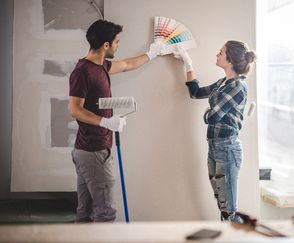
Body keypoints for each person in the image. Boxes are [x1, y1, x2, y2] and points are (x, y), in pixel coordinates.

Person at [69, 19, 161, 222]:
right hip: (94, 151)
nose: (119, 45)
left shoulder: (101, 66)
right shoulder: (83, 71)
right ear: (106, 45)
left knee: (86, 212)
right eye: (117, 42)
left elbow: (128, 65)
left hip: (88, 149)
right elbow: (75, 109)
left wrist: (153, 53)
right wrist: (105, 122)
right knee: (105, 213)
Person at [175, 41, 256, 222]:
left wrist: (207, 114)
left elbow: (212, 117)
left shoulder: (237, 87)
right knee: (223, 206)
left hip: (227, 149)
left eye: (221, 52)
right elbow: (195, 92)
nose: (217, 55)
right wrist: (188, 63)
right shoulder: (223, 83)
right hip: (215, 147)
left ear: (230, 60)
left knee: (229, 210)